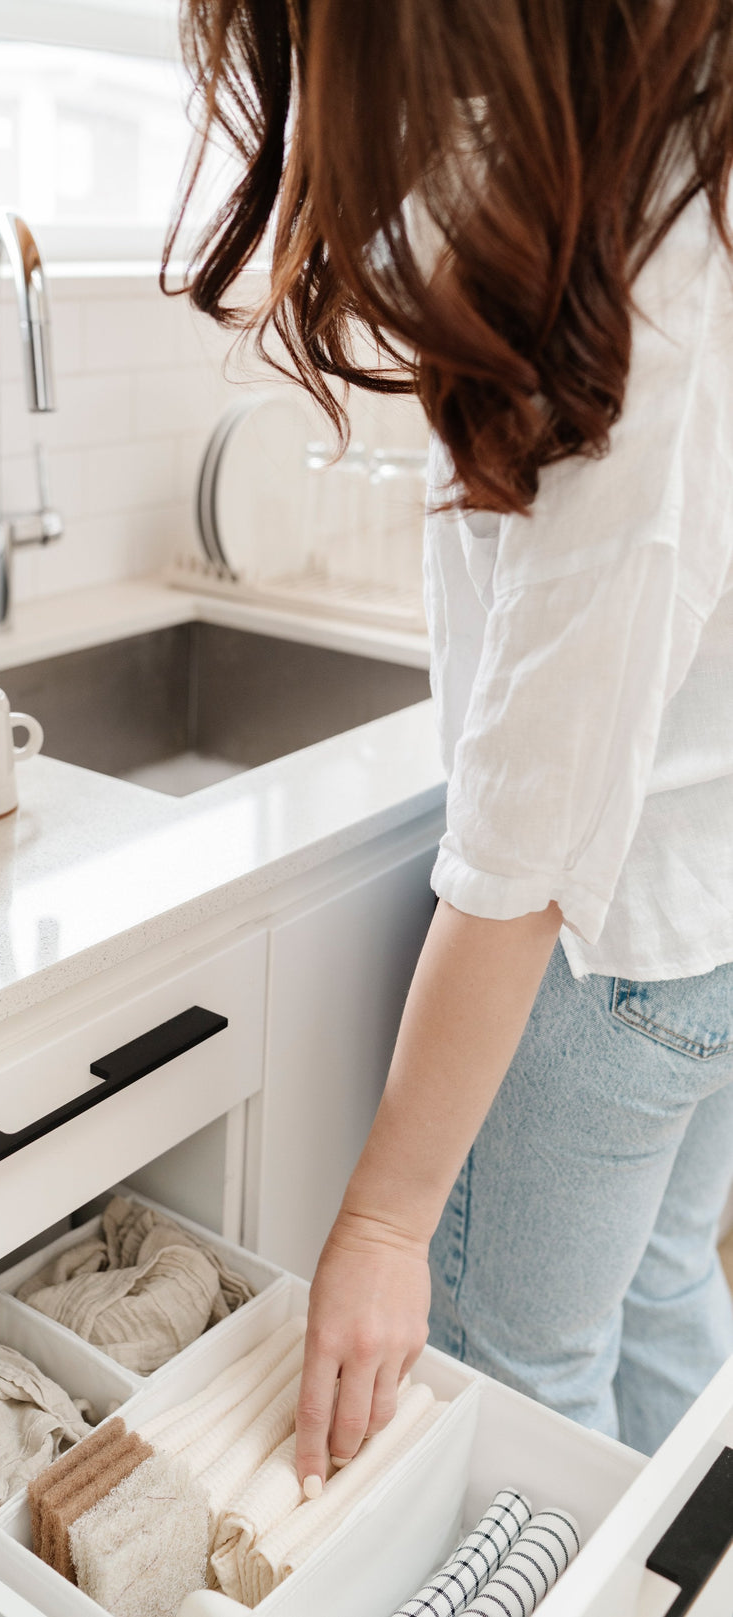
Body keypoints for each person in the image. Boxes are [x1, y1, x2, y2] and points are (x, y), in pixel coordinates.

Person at [168, 0, 733, 1479]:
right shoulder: (696, 138)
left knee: (527, 1390)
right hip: (713, 909)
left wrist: (384, 1218)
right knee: (663, 1283)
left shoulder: (623, 245)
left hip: (617, 953)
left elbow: (532, 826)